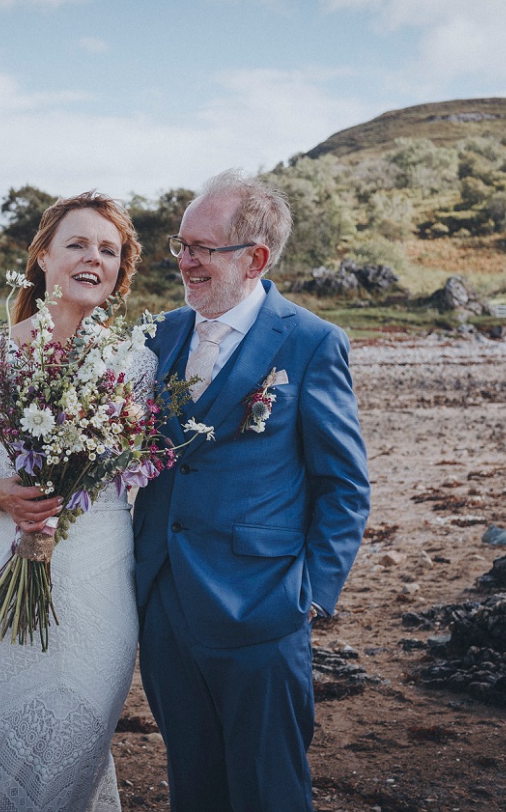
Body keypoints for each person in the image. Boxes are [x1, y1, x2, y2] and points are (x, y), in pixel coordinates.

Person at [132, 170, 370, 812]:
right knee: (194, 783)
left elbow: (345, 486)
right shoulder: (160, 337)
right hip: (163, 601)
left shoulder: (311, 342)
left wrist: (311, 599)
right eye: (181, 245)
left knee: (269, 791)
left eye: (201, 248)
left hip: (263, 608)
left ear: (255, 258)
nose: (185, 260)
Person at [0, 190, 151, 811]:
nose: (92, 257)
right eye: (76, 243)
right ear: (43, 257)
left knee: (76, 740)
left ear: (121, 270)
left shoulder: (139, 365)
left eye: (109, 249)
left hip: (100, 587)